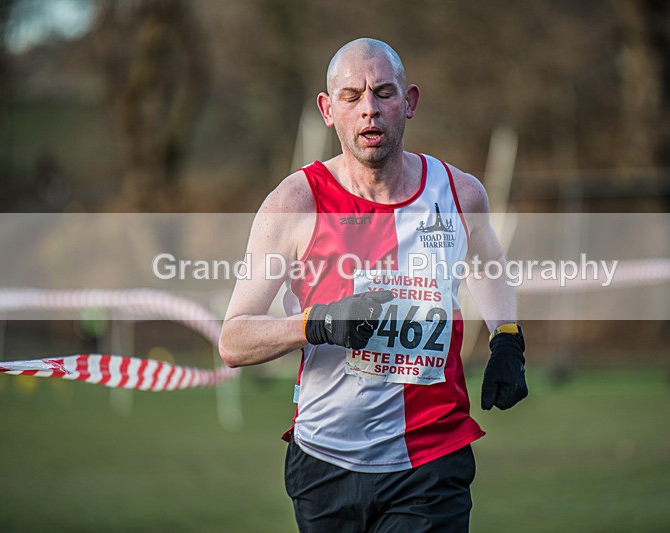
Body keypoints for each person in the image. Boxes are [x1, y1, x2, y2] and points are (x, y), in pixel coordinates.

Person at [219, 37, 528, 532]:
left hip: (432, 458)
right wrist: (318, 324)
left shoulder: (459, 193)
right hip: (326, 461)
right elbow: (234, 341)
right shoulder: (294, 203)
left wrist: (507, 338)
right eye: (352, 96)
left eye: (384, 93)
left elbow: (489, 264)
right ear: (327, 109)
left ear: (409, 102)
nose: (370, 110)